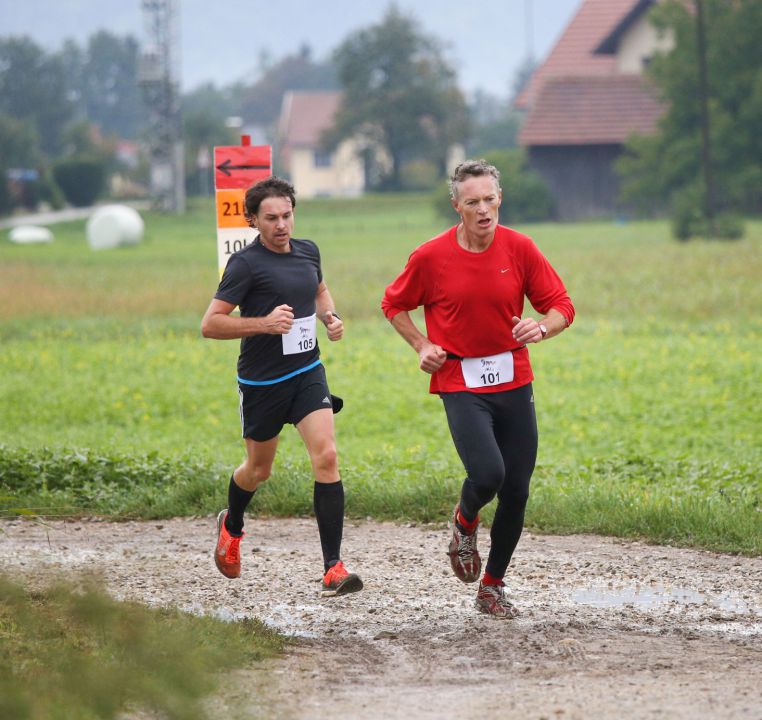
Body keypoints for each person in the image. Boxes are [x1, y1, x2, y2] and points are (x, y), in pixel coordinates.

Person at [381, 159, 574, 618]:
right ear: (457, 206)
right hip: (459, 379)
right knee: (489, 474)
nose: (484, 210)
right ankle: (464, 523)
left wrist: (541, 329)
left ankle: (492, 586)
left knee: (518, 490)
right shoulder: (430, 257)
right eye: (473, 202)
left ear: (500, 199)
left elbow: (562, 305)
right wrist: (421, 344)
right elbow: (393, 303)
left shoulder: (520, 248)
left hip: (513, 377)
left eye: (490, 199)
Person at [201, 175, 363, 598]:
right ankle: (231, 525)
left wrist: (330, 317)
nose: (281, 225)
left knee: (326, 457)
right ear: (253, 220)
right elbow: (211, 324)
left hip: (307, 373)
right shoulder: (245, 265)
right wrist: (264, 324)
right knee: (259, 470)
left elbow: (321, 290)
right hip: (262, 382)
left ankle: (333, 568)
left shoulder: (309, 251)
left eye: (287, 215)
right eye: (270, 218)